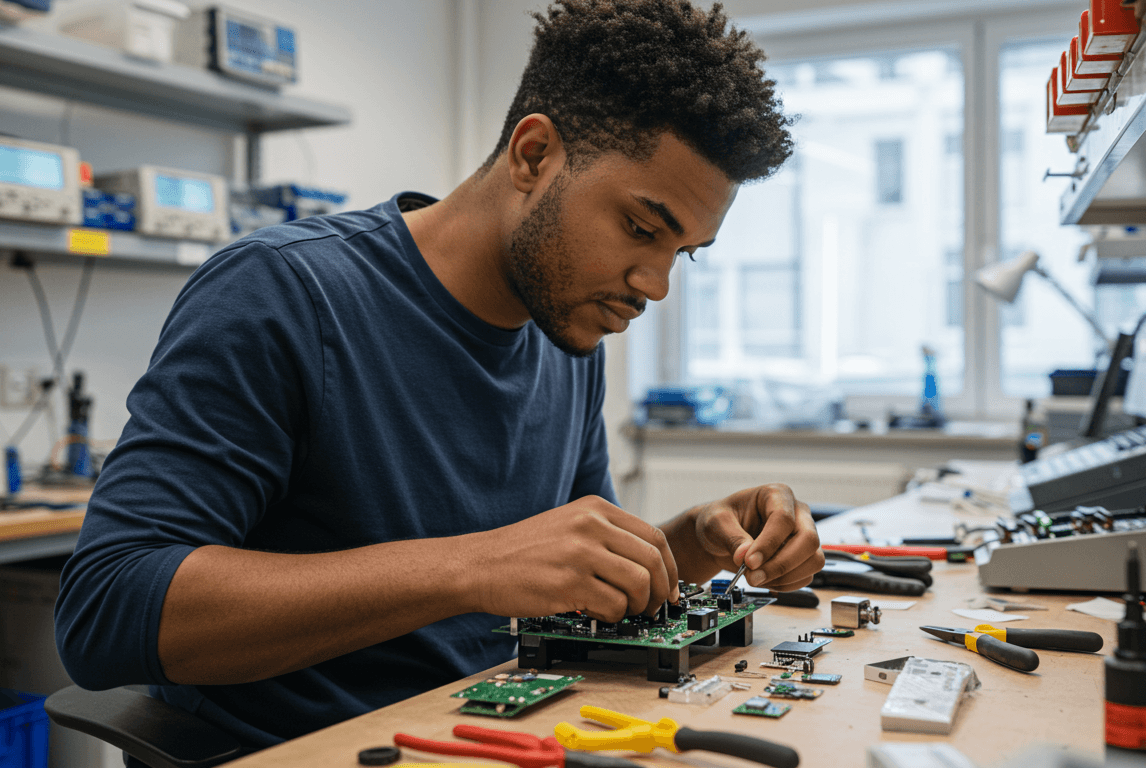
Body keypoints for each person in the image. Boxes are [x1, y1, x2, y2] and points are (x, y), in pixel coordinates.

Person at [55, 0, 823, 751]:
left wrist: (690, 541)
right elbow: (108, 610)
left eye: (681, 252)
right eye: (640, 228)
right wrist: (472, 565)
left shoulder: (568, 336)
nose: (655, 284)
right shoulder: (285, 295)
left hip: (506, 730)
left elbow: (560, 573)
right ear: (533, 155)